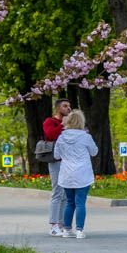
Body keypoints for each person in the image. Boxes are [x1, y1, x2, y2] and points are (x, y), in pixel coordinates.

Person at [54, 109, 98, 239]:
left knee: (70, 202)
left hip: (67, 174)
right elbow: (94, 152)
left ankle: (67, 230)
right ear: (81, 122)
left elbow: (56, 156)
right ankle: (79, 230)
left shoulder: (61, 137)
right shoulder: (86, 137)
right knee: (80, 203)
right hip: (82, 174)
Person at [42, 98, 73, 237]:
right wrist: (63, 124)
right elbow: (51, 135)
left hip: (68, 161)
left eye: (69, 106)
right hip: (56, 161)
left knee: (66, 193)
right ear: (58, 108)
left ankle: (62, 224)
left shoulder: (70, 123)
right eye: (65, 106)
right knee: (57, 192)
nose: (68, 108)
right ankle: (54, 225)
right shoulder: (50, 122)